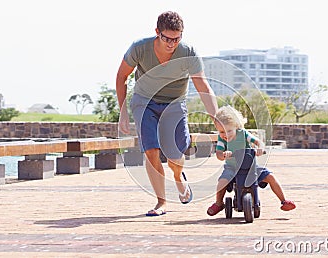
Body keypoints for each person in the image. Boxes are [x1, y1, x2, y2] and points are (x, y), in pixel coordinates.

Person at [116, 11, 218, 216]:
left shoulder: (188, 52)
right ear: (157, 32)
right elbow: (121, 77)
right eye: (167, 38)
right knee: (151, 151)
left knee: (175, 155)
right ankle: (161, 202)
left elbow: (202, 85)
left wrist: (217, 117)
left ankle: (179, 178)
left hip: (174, 103)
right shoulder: (139, 48)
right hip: (144, 101)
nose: (172, 43)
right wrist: (123, 113)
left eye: (177, 39)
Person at [207, 106, 296, 216]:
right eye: (221, 131)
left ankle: (283, 201)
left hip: (250, 167)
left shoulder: (243, 134)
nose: (225, 135)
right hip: (232, 168)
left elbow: (258, 142)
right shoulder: (221, 139)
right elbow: (219, 154)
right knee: (222, 182)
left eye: (229, 131)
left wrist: (260, 148)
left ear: (236, 126)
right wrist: (224, 155)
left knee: (270, 176)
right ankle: (219, 203)